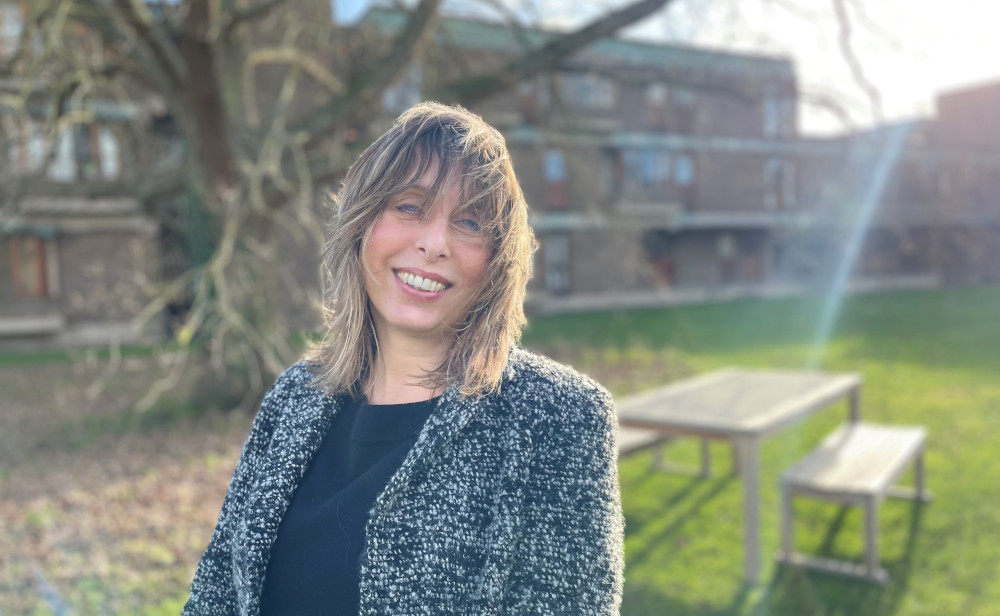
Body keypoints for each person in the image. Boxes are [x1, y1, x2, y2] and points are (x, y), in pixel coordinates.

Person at [183, 102, 624, 615]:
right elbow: (215, 592)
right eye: (409, 207)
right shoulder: (292, 399)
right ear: (362, 225)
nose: (434, 244)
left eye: (469, 222)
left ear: (498, 260)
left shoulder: (560, 417)